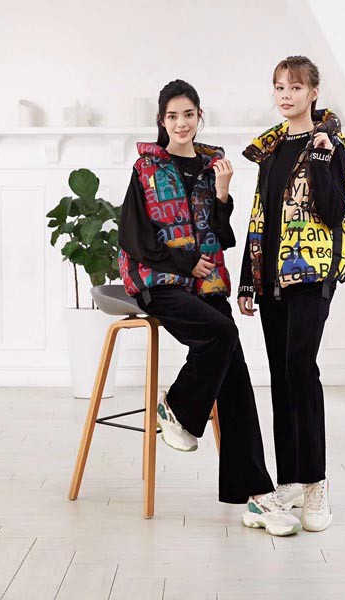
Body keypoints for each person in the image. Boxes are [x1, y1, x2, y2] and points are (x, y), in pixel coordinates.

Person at [118, 79, 301, 536]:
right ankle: (177, 407)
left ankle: (257, 496)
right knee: (223, 334)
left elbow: (220, 237)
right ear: (161, 121)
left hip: (206, 285)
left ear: (200, 117)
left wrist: (222, 192)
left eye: (189, 115)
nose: (181, 124)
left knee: (236, 380)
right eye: (173, 116)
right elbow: (134, 239)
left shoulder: (210, 166)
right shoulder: (145, 169)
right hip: (159, 283)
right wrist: (184, 263)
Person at [238, 56, 345, 532]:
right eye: (279, 87)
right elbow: (260, 215)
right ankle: (288, 479)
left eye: (295, 87)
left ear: (313, 92)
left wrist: (323, 157)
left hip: (311, 275)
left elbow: (332, 211)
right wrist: (249, 279)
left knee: (301, 370)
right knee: (281, 377)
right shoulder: (270, 148)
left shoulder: (329, 145)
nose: (286, 95)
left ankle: (315, 483)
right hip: (271, 279)